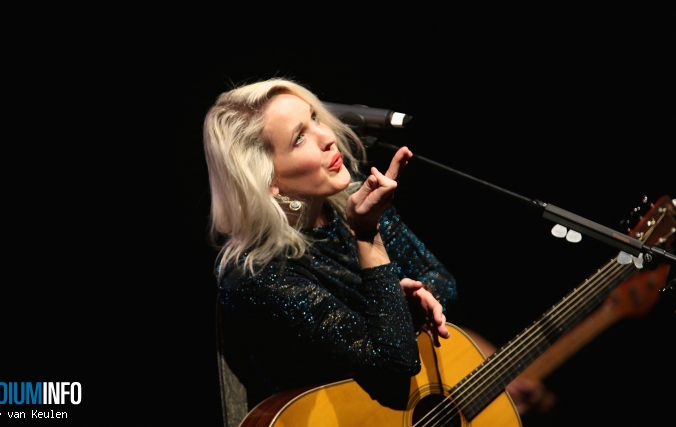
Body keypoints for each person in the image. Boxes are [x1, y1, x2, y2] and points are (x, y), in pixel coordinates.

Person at [204, 77, 554, 423]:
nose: (327, 136)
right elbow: (394, 364)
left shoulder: (349, 201)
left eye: (314, 118)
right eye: (300, 138)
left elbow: (442, 281)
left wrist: (410, 303)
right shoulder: (256, 273)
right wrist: (366, 235)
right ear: (268, 181)